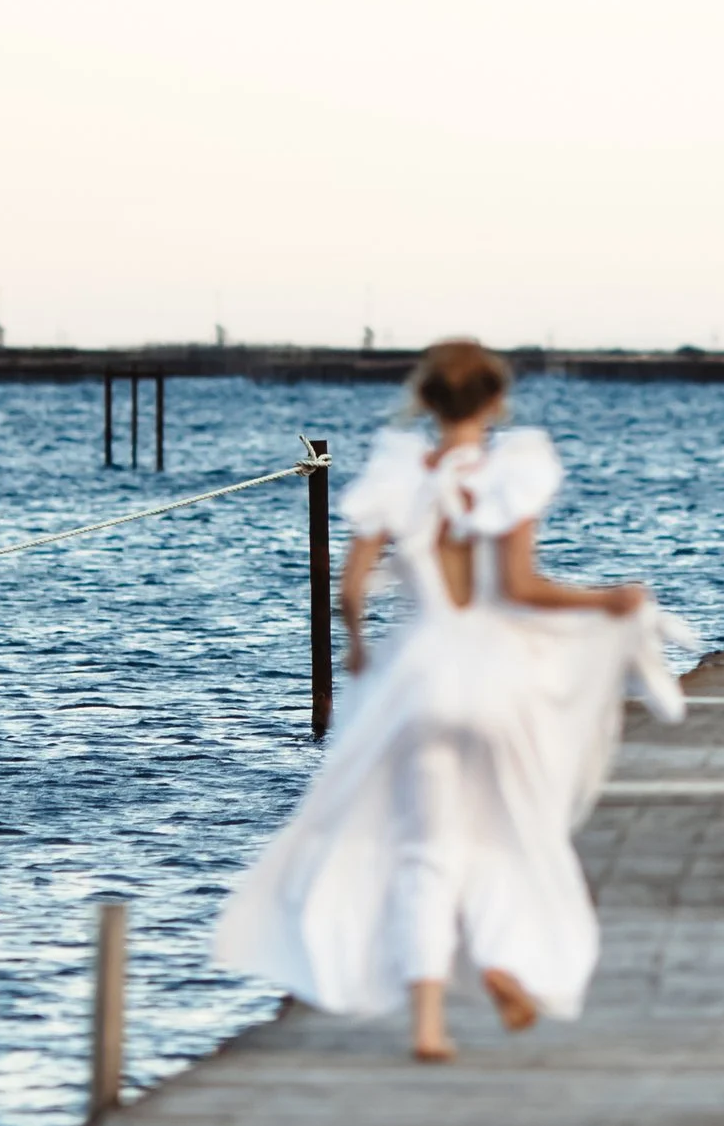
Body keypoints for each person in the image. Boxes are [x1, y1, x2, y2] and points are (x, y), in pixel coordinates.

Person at [214, 340, 687, 1062]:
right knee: (508, 833)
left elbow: (349, 586)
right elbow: (523, 588)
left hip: (423, 679)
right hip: (498, 682)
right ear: (495, 402)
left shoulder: (401, 476)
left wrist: (360, 649)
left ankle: (429, 1024)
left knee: (424, 854)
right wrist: (607, 599)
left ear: (425, 401)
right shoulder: (509, 474)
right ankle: (501, 956)